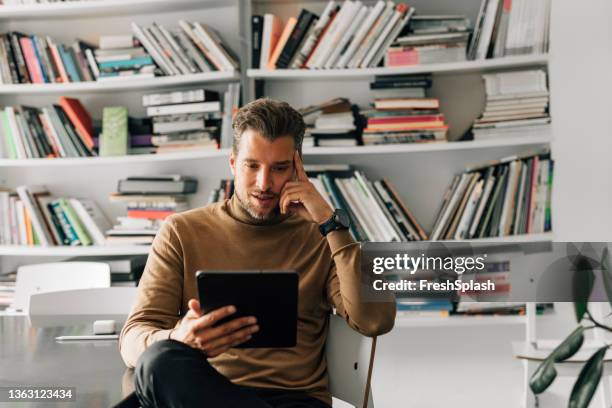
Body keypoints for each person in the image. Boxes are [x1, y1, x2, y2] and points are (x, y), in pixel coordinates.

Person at [119, 98, 396, 408]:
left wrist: (332, 224)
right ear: (233, 164)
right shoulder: (181, 232)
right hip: (202, 393)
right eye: (252, 166)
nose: (264, 184)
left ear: (297, 168)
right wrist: (179, 338)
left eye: (279, 168)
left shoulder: (322, 236)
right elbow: (132, 340)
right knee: (159, 361)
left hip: (294, 400)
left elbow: (375, 321)